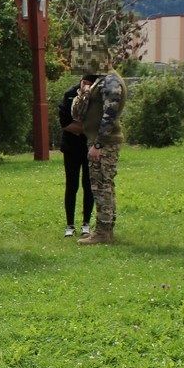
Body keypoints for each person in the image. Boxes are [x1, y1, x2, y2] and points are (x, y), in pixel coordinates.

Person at [70, 41, 127, 245]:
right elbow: (80, 113)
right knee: (103, 185)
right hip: (99, 140)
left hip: (104, 142)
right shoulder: (101, 80)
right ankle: (105, 229)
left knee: (101, 186)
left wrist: (99, 144)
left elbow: (109, 115)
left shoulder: (111, 81)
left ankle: (103, 233)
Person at [58, 76, 95, 238]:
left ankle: (86, 223)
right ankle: (70, 225)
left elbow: (99, 120)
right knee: (71, 185)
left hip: (89, 147)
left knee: (89, 185)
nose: (87, 86)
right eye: (85, 82)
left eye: (91, 83)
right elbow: (65, 123)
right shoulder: (70, 94)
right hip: (71, 147)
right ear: (81, 80)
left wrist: (83, 128)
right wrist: (85, 128)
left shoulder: (97, 95)